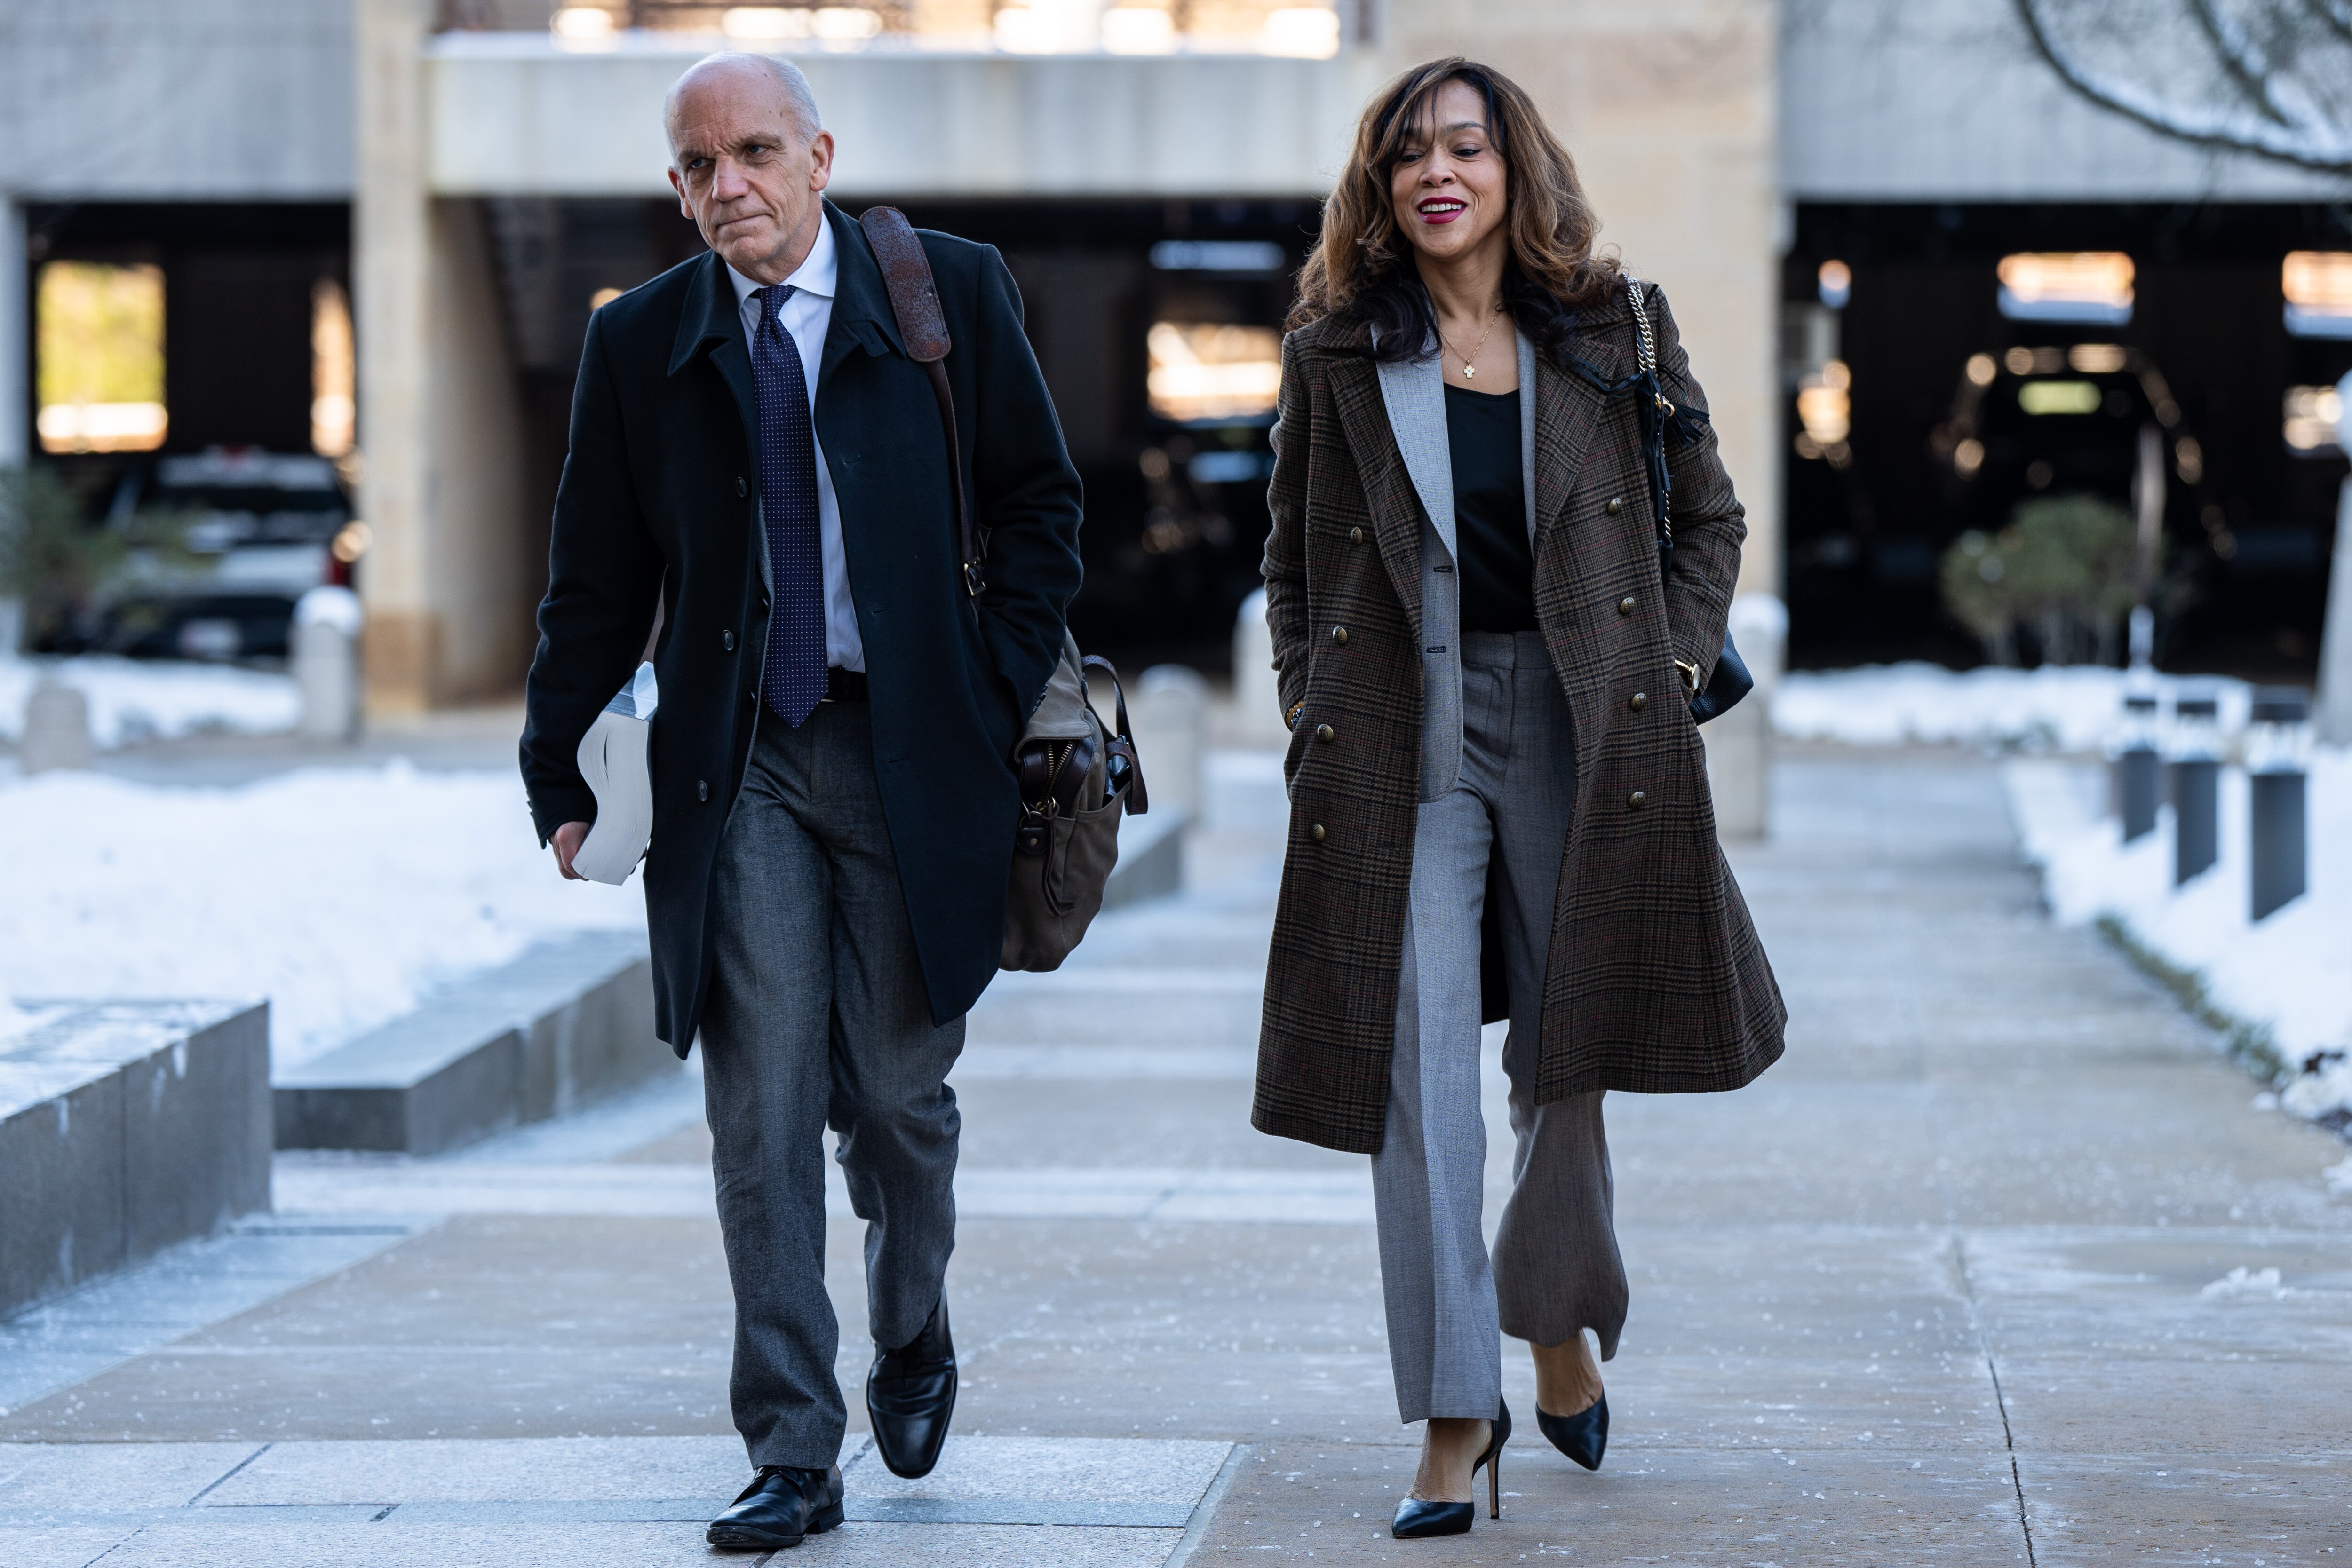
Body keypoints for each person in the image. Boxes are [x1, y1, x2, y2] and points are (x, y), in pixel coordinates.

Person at [518, 52, 1083, 1552]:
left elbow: (1040, 506)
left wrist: (982, 687)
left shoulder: (947, 292)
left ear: (819, 159)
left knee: (896, 1100)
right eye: (700, 166)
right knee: (759, 1107)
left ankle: (913, 1320)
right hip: (739, 764)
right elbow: (594, 579)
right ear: (677, 186)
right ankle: (790, 1447)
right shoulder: (641, 340)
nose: (732, 187)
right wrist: (558, 768)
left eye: (757, 153)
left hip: (913, 756)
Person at [1253, 57, 1786, 1539]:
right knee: (1412, 1072)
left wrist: (1666, 666)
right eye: (1410, 152)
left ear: (1514, 169)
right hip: (1402, 732)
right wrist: (1309, 700)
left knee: (1566, 1056)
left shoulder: (1615, 328)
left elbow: (1711, 518)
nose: (1438, 173)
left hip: (1581, 725)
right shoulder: (1339, 348)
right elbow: (1291, 553)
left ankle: (1553, 1315)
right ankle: (1452, 1414)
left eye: (1466, 148)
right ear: (1382, 183)